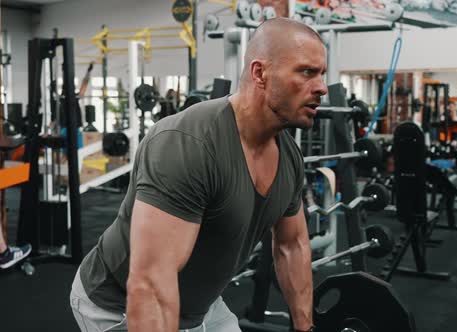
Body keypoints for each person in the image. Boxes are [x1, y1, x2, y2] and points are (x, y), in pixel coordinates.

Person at [70, 17, 327, 332]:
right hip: (117, 305)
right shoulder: (188, 144)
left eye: (321, 74)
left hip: (201, 306)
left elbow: (292, 244)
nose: (322, 87)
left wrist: (306, 328)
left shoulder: (289, 156)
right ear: (260, 73)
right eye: (306, 72)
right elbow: (151, 284)